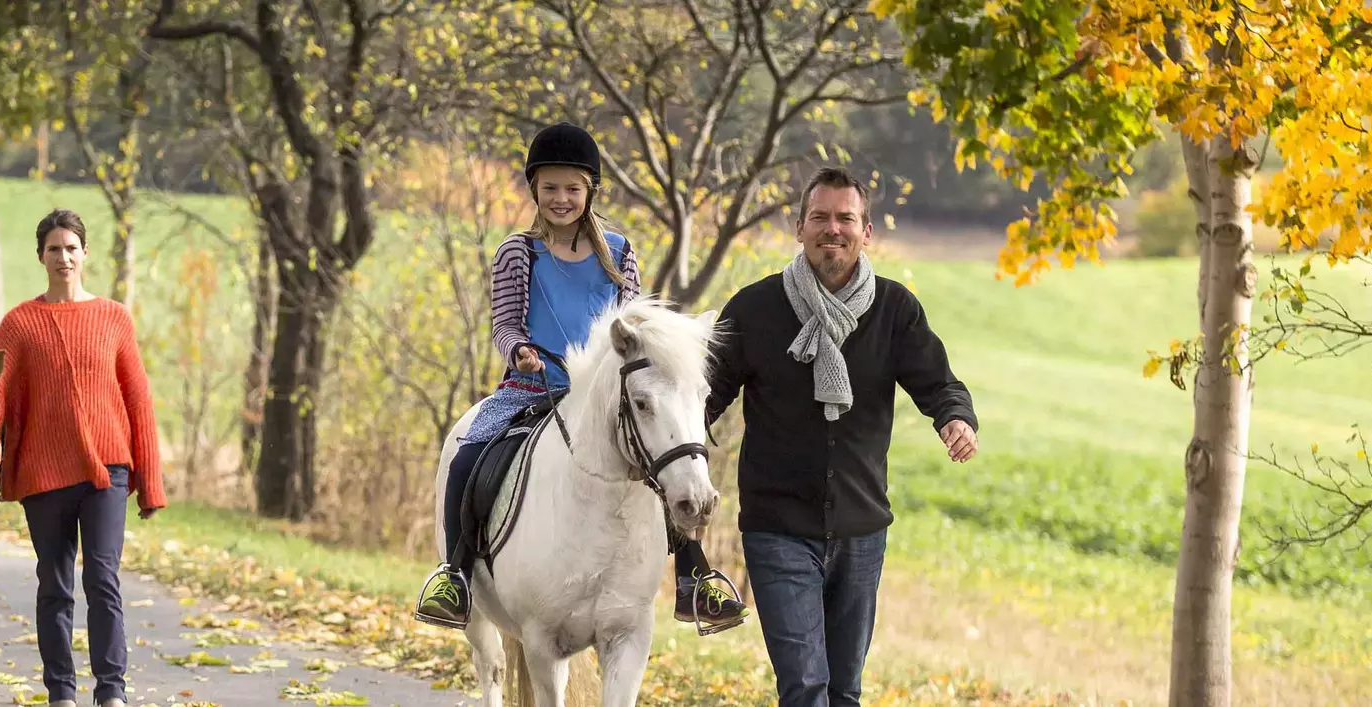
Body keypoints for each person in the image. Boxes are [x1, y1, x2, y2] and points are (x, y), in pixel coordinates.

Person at [413, 122, 749, 633]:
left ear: (590, 190)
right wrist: (519, 349)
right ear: (534, 190)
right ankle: (455, 575)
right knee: (467, 456)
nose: (561, 199)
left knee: (669, 463)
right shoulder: (517, 253)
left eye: (572, 188)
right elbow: (504, 324)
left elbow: (633, 326)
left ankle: (692, 577)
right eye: (550, 188)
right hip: (531, 390)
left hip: (601, 400)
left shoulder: (619, 251)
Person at [705, 166, 979, 706]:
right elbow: (703, 393)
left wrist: (955, 418)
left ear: (866, 231)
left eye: (846, 218)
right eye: (820, 217)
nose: (834, 229)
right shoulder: (755, 309)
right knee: (806, 686)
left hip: (861, 530)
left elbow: (939, 383)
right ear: (800, 227)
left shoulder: (895, 309)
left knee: (845, 692)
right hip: (777, 527)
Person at [0, 209, 166, 707]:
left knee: (103, 579)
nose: (63, 257)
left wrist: (150, 483)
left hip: (107, 473)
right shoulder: (19, 324)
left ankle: (112, 692)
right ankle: (61, 693)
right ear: (40, 256)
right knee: (55, 584)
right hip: (45, 474)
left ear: (85, 254)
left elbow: (138, 400)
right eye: (53, 249)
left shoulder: (113, 317)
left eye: (71, 248)